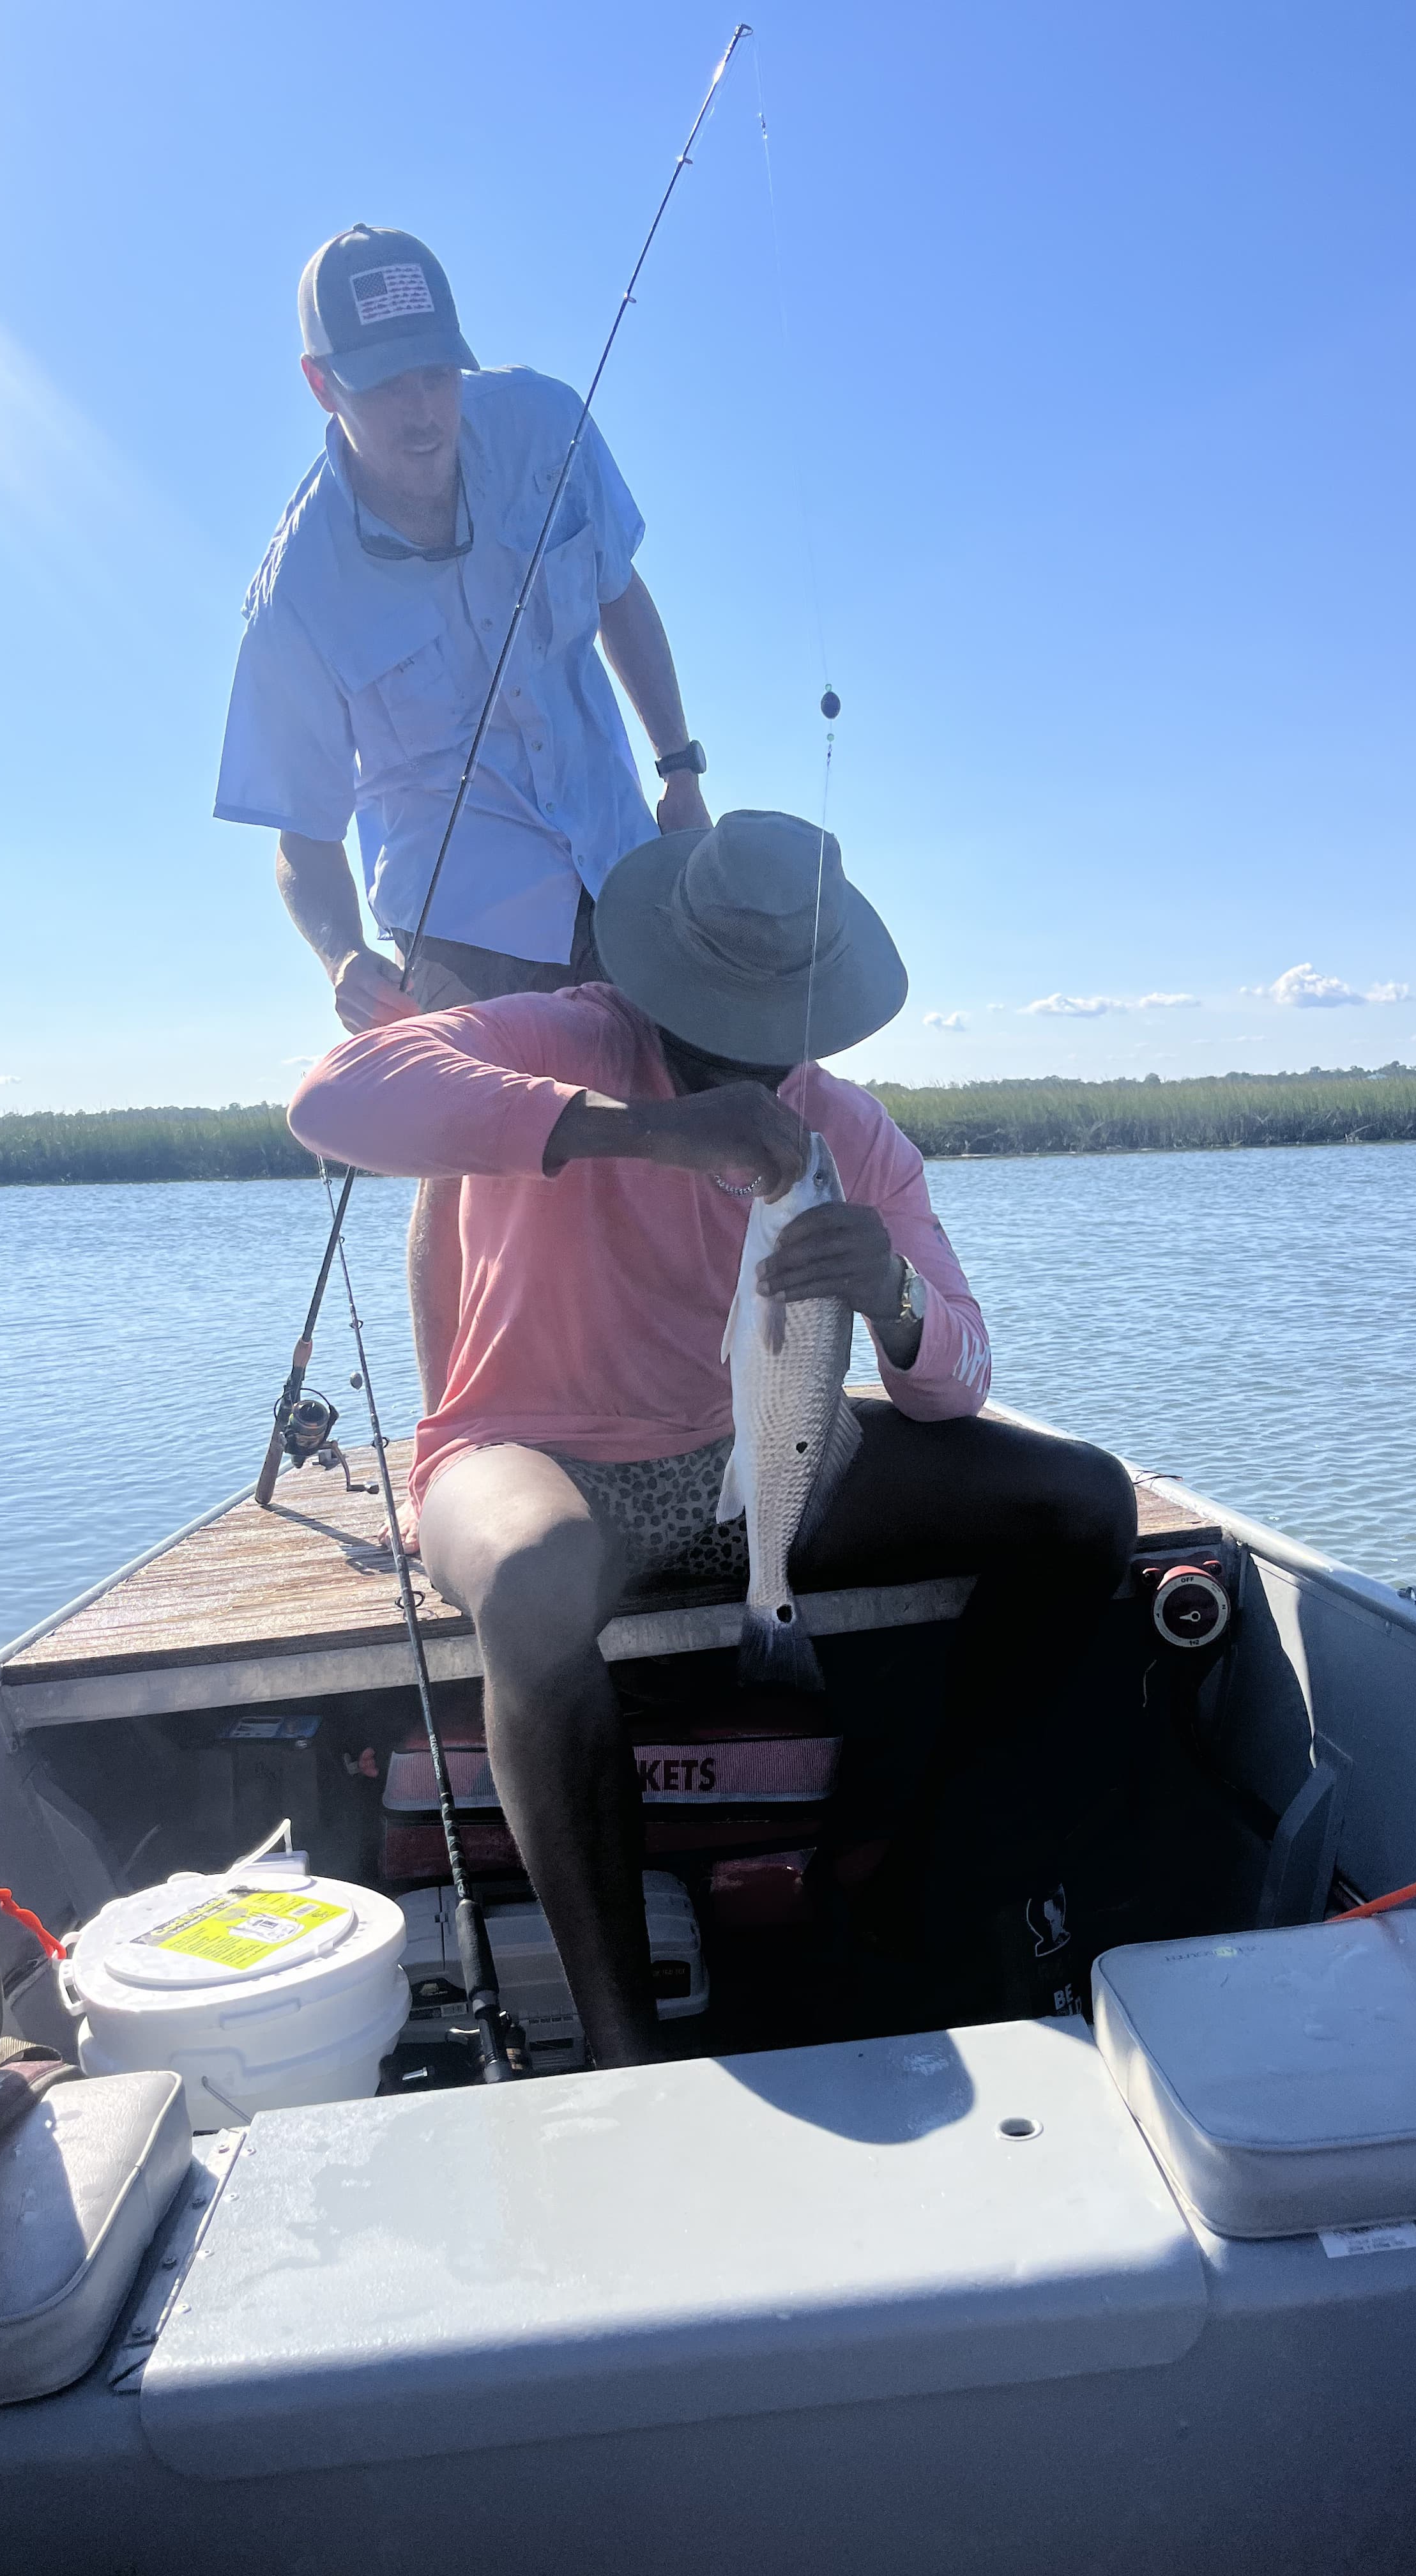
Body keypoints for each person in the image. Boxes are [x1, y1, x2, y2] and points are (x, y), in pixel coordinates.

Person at [289, 811, 1136, 2068]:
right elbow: (332, 1101)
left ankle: (924, 1895)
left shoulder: (847, 1131)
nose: (721, 1050)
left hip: (753, 1465)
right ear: (651, 971)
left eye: (756, 1025)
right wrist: (639, 1129)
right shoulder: (563, 1035)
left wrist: (891, 1297)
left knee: (1084, 1506)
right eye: (698, 1014)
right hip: (524, 1454)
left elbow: (956, 1378)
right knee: (530, 1584)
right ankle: (625, 2035)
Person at [215, 224, 711, 1396]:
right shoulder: (296, 594)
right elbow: (301, 836)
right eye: (384, 382)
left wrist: (680, 768)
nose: (421, 407)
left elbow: (622, 598)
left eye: (435, 368)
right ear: (321, 384)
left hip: (621, 856)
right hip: (461, 913)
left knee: (679, 1112)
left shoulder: (544, 425)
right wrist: (340, 956)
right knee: (477, 1157)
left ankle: (685, 1386)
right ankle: (463, 1425)